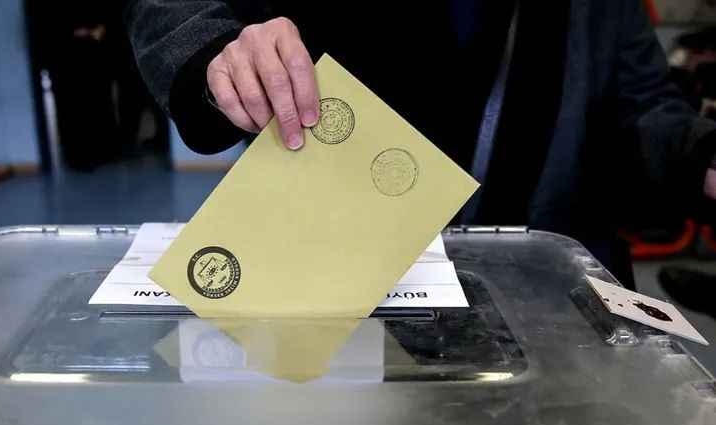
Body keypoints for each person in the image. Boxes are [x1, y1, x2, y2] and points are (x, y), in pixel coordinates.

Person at [123, 1, 716, 287]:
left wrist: (700, 156)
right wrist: (219, 54)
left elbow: (642, 104)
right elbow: (170, 12)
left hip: (545, 291)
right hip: (335, 275)